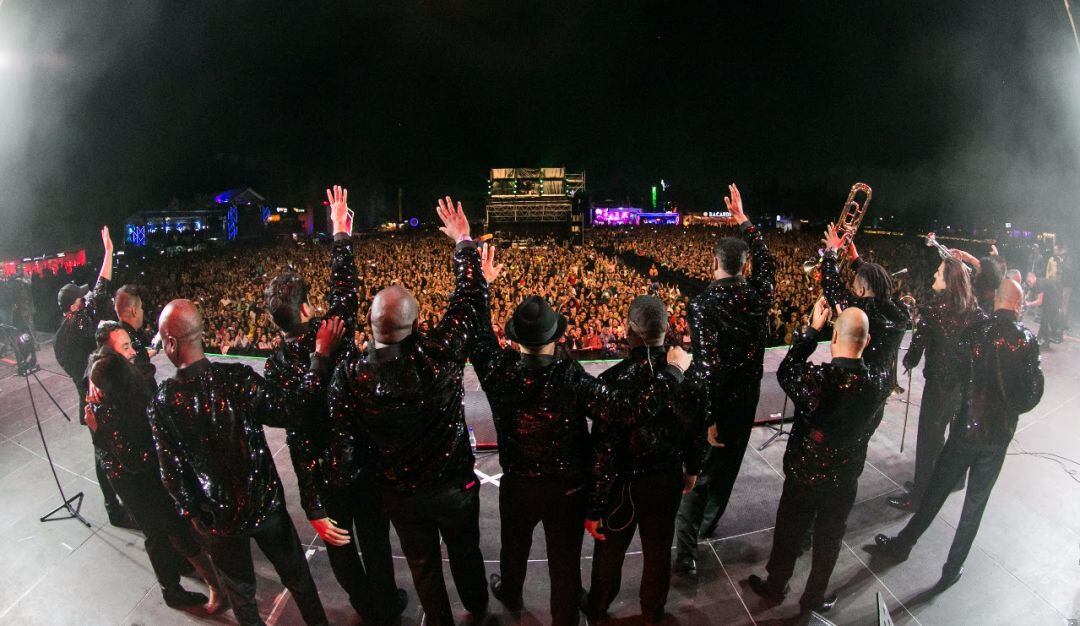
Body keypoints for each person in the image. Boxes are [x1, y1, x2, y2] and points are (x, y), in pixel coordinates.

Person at [328, 196, 488, 626]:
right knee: (465, 550)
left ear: (370, 327)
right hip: (454, 486)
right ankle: (476, 604)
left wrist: (341, 236)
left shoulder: (351, 374)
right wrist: (463, 242)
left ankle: (439, 619)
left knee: (422, 565)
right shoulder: (440, 353)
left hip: (399, 494)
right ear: (418, 327)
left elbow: (339, 307)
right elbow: (470, 301)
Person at [149, 299, 343, 626]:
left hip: (219, 520)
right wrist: (320, 357)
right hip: (266, 507)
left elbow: (172, 474)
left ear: (169, 342)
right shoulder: (238, 379)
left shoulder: (163, 403)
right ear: (200, 333)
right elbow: (292, 410)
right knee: (298, 579)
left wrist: (195, 515)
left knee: (242, 597)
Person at [263, 185, 405, 623]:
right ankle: (384, 605)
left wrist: (312, 504)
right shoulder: (333, 335)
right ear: (306, 308)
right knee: (375, 542)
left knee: (341, 549)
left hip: (322, 479)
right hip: (361, 465)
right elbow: (346, 291)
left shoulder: (274, 369)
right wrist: (340, 233)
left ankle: (364, 605)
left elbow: (296, 435)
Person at [869, 279, 1044, 591]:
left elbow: (955, 373)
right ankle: (952, 569)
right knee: (974, 506)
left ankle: (903, 544)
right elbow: (1031, 396)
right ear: (1018, 305)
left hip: (965, 429)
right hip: (997, 437)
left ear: (997, 301)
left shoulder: (977, 332)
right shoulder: (1027, 340)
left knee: (936, 490)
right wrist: (1008, 409)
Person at [746, 299, 891, 615]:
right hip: (844, 477)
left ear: (834, 338)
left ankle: (775, 586)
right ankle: (813, 597)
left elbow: (786, 370)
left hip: (803, 472)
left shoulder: (817, 379)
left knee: (789, 532)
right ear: (867, 341)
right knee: (829, 539)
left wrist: (812, 331)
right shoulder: (879, 381)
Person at [83, 322, 224, 614]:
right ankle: (174, 589)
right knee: (160, 532)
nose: (133, 352)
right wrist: (101, 431)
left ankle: (195, 568)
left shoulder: (133, 383)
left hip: (151, 467)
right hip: (133, 479)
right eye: (125, 348)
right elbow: (131, 459)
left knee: (175, 526)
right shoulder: (105, 400)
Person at [582, 295, 702, 624]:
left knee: (610, 551)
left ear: (629, 330)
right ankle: (652, 612)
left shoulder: (611, 380)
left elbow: (603, 450)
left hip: (623, 487)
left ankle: (598, 607)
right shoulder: (685, 374)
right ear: (666, 329)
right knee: (658, 551)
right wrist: (692, 468)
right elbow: (695, 428)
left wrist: (594, 507)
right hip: (665, 480)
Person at [675, 183, 776, 575]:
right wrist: (745, 221)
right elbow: (769, 263)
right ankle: (707, 525)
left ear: (714, 262)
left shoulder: (702, 305)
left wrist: (709, 416)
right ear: (744, 265)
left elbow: (707, 365)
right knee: (728, 468)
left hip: (715, 404)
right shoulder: (759, 294)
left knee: (699, 473)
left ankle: (685, 549)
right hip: (747, 399)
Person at [888, 257, 986, 511]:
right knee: (955, 435)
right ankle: (953, 480)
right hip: (963, 387)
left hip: (939, 388)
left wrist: (907, 361)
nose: (933, 274)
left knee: (929, 442)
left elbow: (915, 349)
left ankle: (919, 496)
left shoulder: (933, 312)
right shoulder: (975, 311)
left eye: (939, 272)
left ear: (949, 280)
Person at [53, 226, 131, 528]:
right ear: (74, 306)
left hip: (86, 402)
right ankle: (120, 506)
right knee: (114, 454)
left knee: (102, 455)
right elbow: (101, 289)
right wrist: (109, 253)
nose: (86, 301)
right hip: (102, 397)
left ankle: (113, 505)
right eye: (81, 300)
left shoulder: (59, 340)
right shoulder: (82, 322)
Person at [821, 224, 910, 429]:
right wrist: (855, 257)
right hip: (881, 387)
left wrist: (831, 253)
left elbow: (831, 286)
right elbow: (873, 286)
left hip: (857, 388)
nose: (852, 290)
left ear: (860, 290)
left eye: (854, 286)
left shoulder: (863, 311)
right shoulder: (900, 311)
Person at [114, 284, 157, 370]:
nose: (142, 311)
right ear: (134, 311)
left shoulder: (115, 336)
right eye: (141, 307)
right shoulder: (131, 342)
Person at [1025, 271, 1063, 344]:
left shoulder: (1039, 284)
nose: (1029, 284)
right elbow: (1030, 293)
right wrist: (1026, 299)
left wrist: (1029, 304)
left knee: (1045, 321)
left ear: (1033, 277)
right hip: (1049, 301)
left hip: (1053, 301)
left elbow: (1039, 301)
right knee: (1044, 321)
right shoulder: (1034, 284)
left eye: (1029, 281)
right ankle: (1043, 340)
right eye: (1028, 282)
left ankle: (1044, 339)